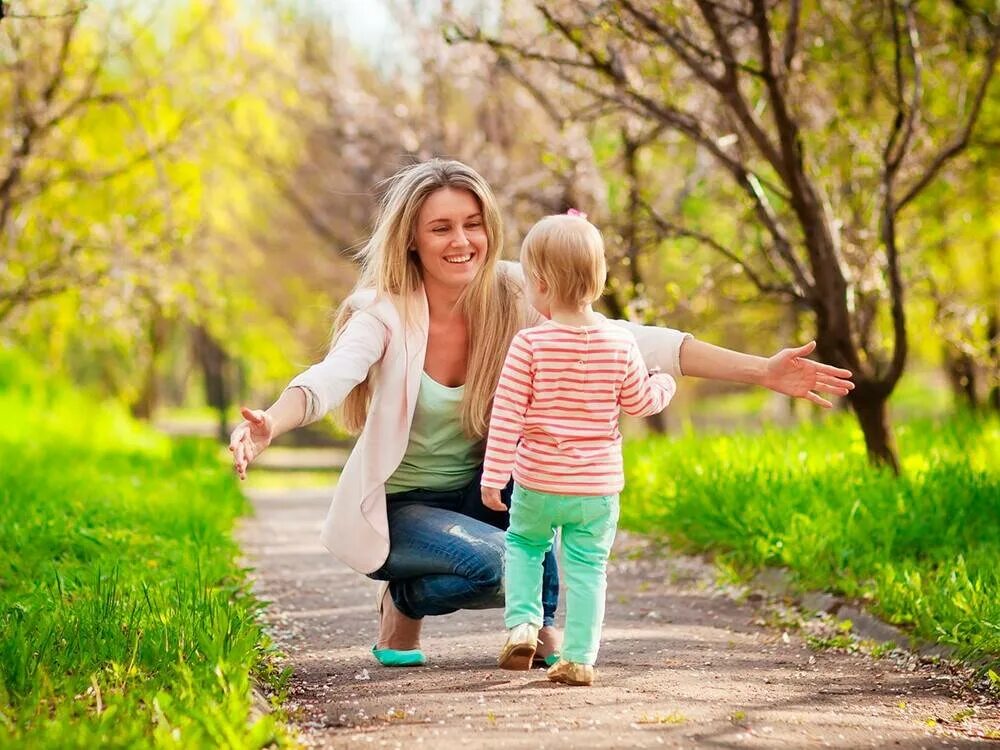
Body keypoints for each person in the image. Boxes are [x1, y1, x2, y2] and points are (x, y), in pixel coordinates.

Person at [228, 159, 854, 669]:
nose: (461, 241)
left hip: (484, 494)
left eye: (472, 223)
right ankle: (424, 596)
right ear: (412, 239)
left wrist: (763, 371)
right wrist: (271, 425)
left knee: (522, 557)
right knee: (505, 563)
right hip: (401, 509)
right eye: (441, 227)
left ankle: (417, 600)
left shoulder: (517, 291)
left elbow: (641, 341)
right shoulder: (382, 313)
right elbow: (328, 380)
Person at [481, 212, 675, 686]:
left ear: (542, 283)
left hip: (538, 481)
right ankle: (579, 658)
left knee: (525, 546)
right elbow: (640, 401)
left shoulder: (529, 345)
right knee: (589, 570)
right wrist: (664, 382)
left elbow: (505, 414)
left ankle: (524, 624)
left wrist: (492, 477)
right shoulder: (621, 342)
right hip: (597, 489)